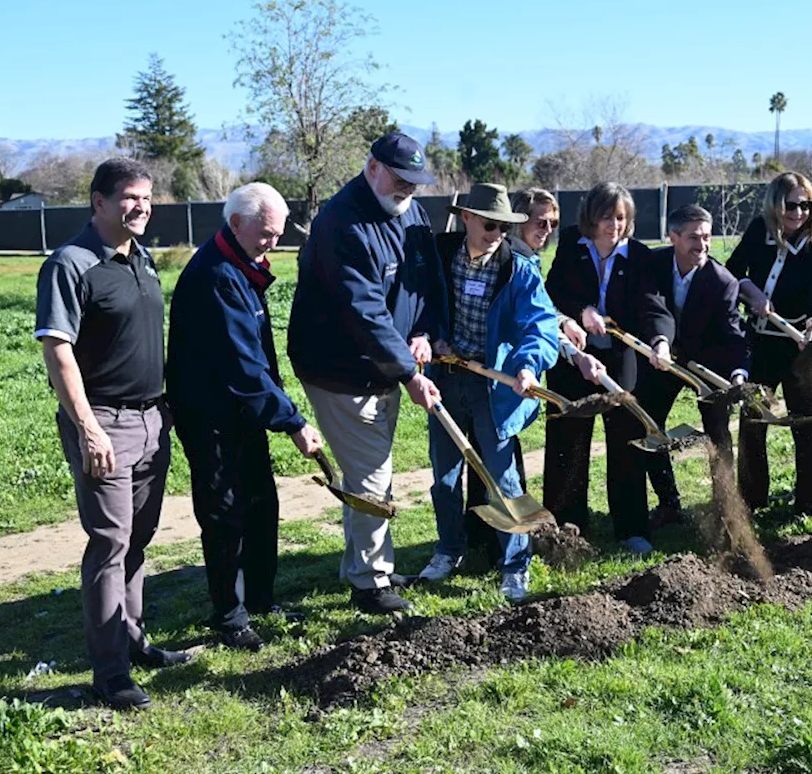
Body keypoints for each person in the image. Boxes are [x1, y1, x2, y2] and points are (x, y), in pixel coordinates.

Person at [34, 158, 188, 711]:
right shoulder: (71, 264)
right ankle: (109, 674)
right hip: (105, 423)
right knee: (110, 544)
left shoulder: (141, 260)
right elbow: (58, 352)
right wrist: (89, 429)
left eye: (146, 197)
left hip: (151, 420)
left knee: (138, 541)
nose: (141, 207)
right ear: (98, 202)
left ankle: (133, 639)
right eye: (129, 197)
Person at [287, 132, 448, 615]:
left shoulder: (408, 209)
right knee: (373, 476)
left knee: (367, 473)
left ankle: (362, 564)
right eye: (401, 180)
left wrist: (424, 330)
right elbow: (365, 313)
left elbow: (426, 276)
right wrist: (409, 373)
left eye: (415, 184)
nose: (408, 191)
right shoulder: (343, 222)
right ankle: (370, 583)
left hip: (386, 364)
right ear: (372, 167)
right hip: (341, 369)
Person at [167, 183, 325, 651]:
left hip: (243, 414)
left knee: (261, 505)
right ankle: (230, 616)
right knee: (225, 513)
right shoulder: (217, 276)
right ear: (236, 223)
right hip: (211, 415)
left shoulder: (243, 266)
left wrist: (276, 411)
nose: (273, 243)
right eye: (267, 234)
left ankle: (259, 599)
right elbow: (243, 365)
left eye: (278, 235)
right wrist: (293, 421)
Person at [416, 184, 560, 600]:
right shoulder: (441, 258)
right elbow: (418, 304)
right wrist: (433, 336)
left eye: (503, 226)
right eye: (489, 224)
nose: (497, 232)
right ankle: (448, 550)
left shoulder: (518, 270)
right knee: (444, 478)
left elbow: (541, 326)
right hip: (446, 378)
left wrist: (528, 365)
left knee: (502, 479)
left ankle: (516, 564)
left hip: (493, 385)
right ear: (466, 218)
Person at [543, 182, 675, 554]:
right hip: (574, 358)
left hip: (621, 359)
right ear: (591, 217)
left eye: (620, 218)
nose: (613, 225)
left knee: (627, 440)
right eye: (606, 217)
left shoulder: (640, 256)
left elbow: (653, 305)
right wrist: (582, 310)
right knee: (568, 438)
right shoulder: (571, 244)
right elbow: (554, 292)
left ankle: (631, 527)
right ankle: (567, 526)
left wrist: (660, 340)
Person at [637, 204, 749, 528]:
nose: (701, 245)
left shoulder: (722, 281)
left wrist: (738, 373)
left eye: (706, 236)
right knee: (649, 425)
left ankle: (725, 506)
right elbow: (648, 306)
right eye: (693, 237)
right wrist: (660, 344)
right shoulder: (653, 264)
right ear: (673, 237)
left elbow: (733, 333)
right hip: (662, 360)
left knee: (718, 432)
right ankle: (669, 504)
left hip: (706, 362)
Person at [725, 172, 812, 515]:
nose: (798, 212)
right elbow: (732, 271)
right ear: (775, 204)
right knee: (753, 419)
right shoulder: (760, 231)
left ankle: (811, 501)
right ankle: (752, 499)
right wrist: (750, 290)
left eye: (805, 204)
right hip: (762, 343)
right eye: (790, 205)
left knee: (807, 421)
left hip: (800, 345)